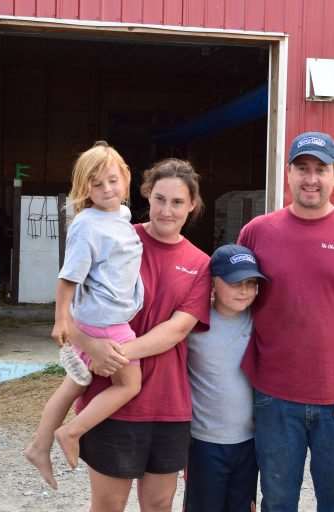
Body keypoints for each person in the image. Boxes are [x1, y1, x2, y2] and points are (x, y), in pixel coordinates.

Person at [238, 131, 334, 512]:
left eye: (320, 169)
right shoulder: (257, 232)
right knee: (277, 501)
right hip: (274, 398)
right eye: (302, 168)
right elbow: (232, 302)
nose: (311, 178)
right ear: (288, 173)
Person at [71, 158, 212, 512]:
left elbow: (176, 330)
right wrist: (91, 347)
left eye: (178, 202)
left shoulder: (199, 264)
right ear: (146, 194)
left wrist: (118, 351)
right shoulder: (115, 237)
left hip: (167, 404)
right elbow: (72, 310)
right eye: (160, 198)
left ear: (192, 205)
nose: (167, 210)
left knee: (159, 505)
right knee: (107, 505)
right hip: (112, 397)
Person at [24, 141, 145, 490]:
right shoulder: (87, 225)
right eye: (96, 184)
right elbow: (67, 278)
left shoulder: (119, 216)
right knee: (129, 383)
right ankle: (72, 431)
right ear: (84, 189)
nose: (106, 190)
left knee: (76, 381)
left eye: (112, 180)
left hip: (106, 315)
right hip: (105, 322)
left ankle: (38, 445)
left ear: (125, 178)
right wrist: (62, 321)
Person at [184, 244, 266, 512]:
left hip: (248, 443)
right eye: (234, 282)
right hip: (204, 442)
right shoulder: (193, 324)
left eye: (251, 283)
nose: (244, 290)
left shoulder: (260, 321)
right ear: (213, 283)